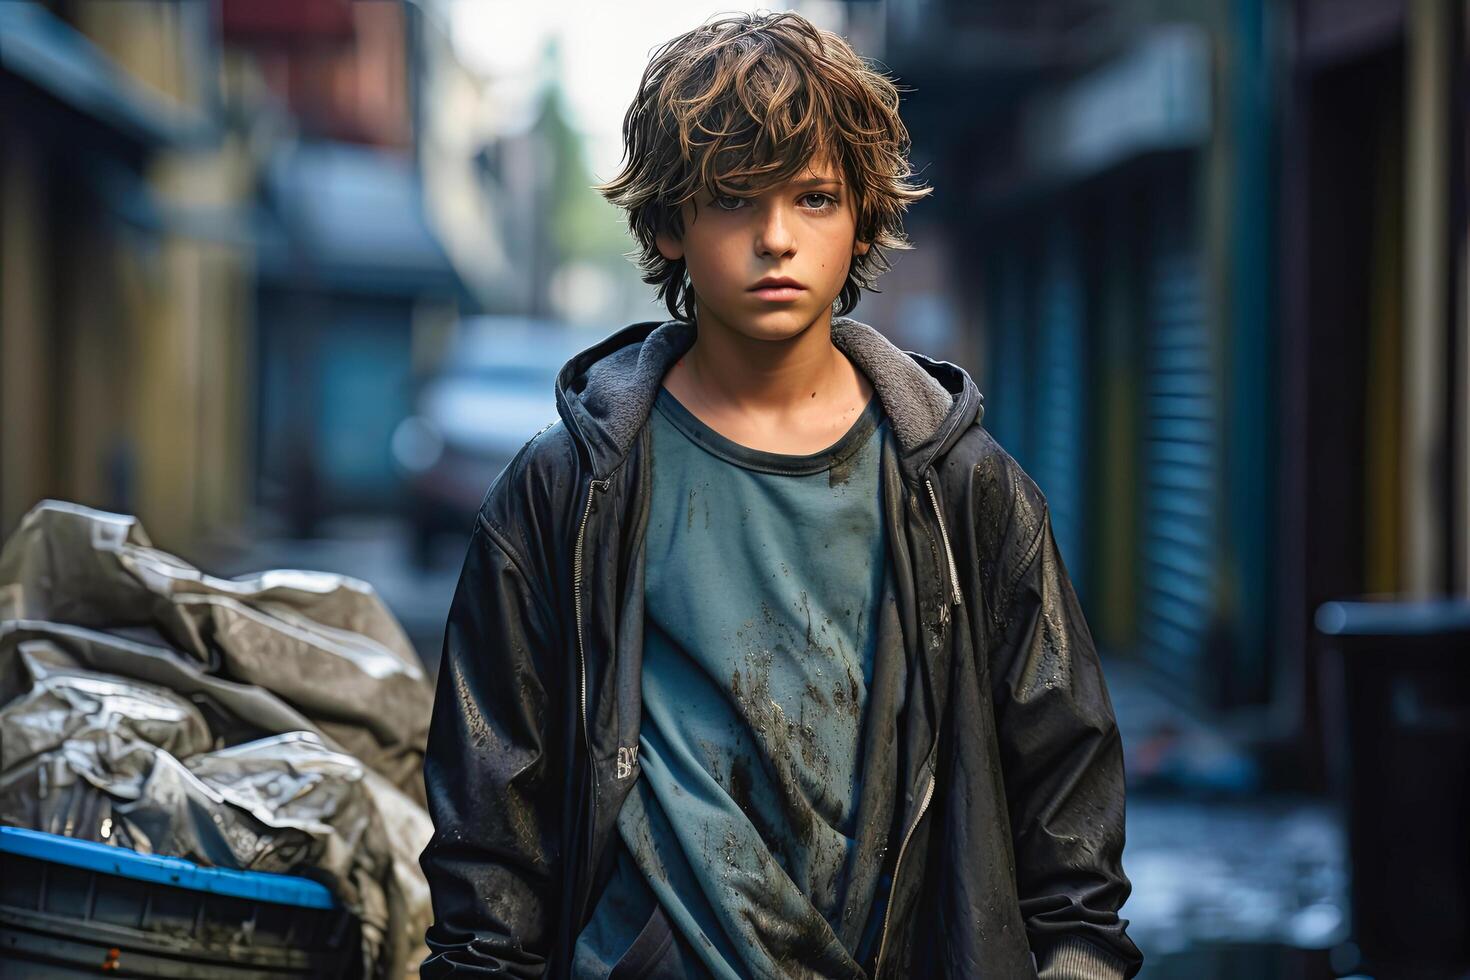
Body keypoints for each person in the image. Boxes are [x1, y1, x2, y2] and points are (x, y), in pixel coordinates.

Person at [419, 11, 1142, 979]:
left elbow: (1063, 774)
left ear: (863, 218)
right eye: (731, 199)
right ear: (670, 223)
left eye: (813, 198)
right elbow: (491, 802)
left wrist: (1079, 959)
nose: (774, 238)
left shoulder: (962, 486)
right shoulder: (570, 487)